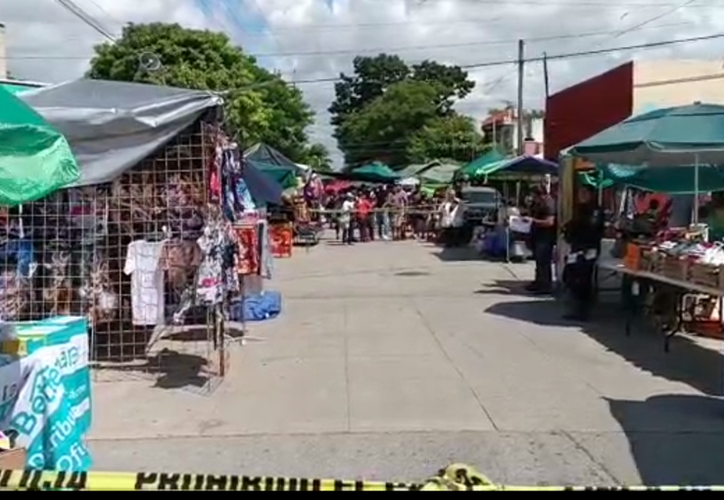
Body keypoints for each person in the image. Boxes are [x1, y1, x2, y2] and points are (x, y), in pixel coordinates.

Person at [562, 185, 604, 320]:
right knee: (569, 275)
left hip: (588, 249)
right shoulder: (580, 209)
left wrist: (574, 227)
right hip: (576, 247)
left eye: (585, 193)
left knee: (583, 279)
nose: (582, 195)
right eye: (580, 192)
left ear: (591, 194)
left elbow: (592, 228)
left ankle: (583, 310)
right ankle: (577, 306)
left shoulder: (595, 211)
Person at [526, 185, 556, 294]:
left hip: (545, 237)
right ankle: (538, 282)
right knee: (539, 262)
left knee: (544, 262)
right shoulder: (538, 203)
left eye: (534, 196)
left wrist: (532, 221)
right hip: (537, 236)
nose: (533, 198)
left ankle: (545, 285)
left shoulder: (548, 204)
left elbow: (550, 222)